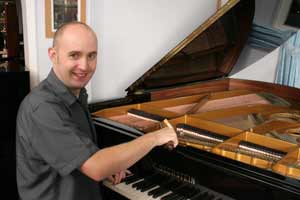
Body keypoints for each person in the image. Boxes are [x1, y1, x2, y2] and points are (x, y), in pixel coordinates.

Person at [16, 21, 178, 200]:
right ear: (53, 55)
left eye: (91, 56)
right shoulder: (42, 108)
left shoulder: (76, 95)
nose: (84, 66)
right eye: (74, 55)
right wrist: (155, 137)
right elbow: (96, 167)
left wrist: (111, 165)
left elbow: (84, 155)